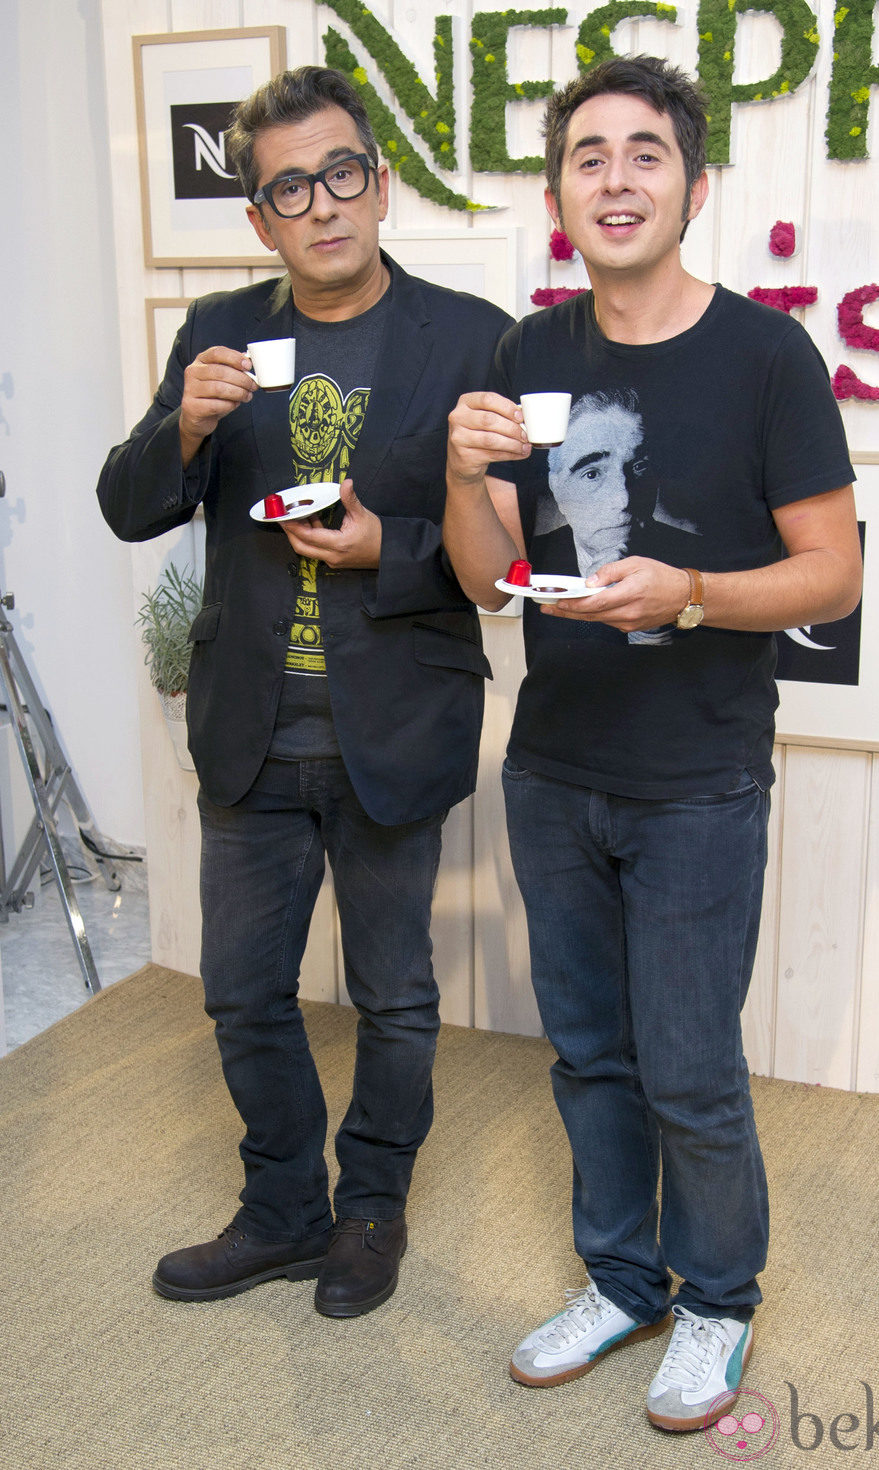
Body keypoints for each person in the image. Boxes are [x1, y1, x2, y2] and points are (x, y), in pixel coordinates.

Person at [442, 56, 862, 1431]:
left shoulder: (765, 355)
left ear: (692, 182)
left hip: (698, 775)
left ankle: (719, 1297)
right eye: (587, 156)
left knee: (687, 1059)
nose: (614, 178)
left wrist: (690, 594)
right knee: (588, 1053)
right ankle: (623, 1279)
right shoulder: (528, 350)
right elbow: (484, 576)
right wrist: (461, 476)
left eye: (643, 154)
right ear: (559, 188)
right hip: (555, 766)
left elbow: (835, 572)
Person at [98, 65, 511, 1318]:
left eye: (342, 174)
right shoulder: (218, 329)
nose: (323, 204)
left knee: (391, 993)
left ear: (377, 185)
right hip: (251, 727)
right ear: (261, 220)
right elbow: (127, 506)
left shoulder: (468, 335)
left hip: (395, 720)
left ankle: (370, 1209)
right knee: (240, 991)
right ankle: (282, 1207)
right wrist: (180, 424)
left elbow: (511, 548)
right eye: (290, 188)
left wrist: (394, 545)